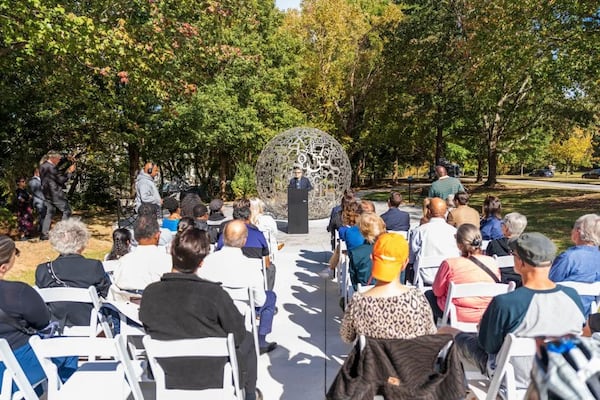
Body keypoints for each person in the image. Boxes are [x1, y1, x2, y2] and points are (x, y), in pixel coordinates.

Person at [442, 232, 585, 390]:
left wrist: (481, 326)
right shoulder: (572, 296)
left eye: (513, 254)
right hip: (559, 376)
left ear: (520, 263)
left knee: (447, 331)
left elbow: (488, 347)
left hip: (513, 378)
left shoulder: (506, 302)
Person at [139, 226, 260, 400]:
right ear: (202, 262)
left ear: (171, 253)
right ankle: (249, 396)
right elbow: (238, 334)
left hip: (167, 371)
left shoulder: (150, 293)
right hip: (212, 374)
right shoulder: (214, 294)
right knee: (247, 338)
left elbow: (148, 326)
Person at [0, 236, 77, 394]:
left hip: (10, 365)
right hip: (15, 364)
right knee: (66, 350)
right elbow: (43, 322)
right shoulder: (19, 292)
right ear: (3, 267)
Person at [198, 220, 278, 355]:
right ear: (244, 240)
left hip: (213, 307)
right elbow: (259, 301)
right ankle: (260, 341)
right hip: (241, 308)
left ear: (223, 236)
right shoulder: (251, 267)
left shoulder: (206, 262)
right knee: (270, 297)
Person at [340, 233, 436, 343]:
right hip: (409, 359)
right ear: (405, 263)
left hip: (374, 360)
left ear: (372, 259)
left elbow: (347, 337)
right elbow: (430, 335)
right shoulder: (418, 299)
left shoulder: (359, 302)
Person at [34, 219, 111, 328]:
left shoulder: (43, 270)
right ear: (82, 244)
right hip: (89, 324)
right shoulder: (93, 266)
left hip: (55, 326)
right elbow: (107, 294)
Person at [426, 224, 501, 323]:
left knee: (429, 295)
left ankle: (437, 332)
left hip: (457, 314)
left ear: (459, 244)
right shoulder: (493, 262)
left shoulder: (449, 264)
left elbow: (437, 291)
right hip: (487, 312)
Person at [549, 214, 600, 317]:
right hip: (587, 314)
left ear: (578, 231)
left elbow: (548, 284)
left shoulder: (568, 257)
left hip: (559, 312)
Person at [113, 214, 172, 293]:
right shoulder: (168, 261)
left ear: (135, 236)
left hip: (125, 304)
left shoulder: (122, 263)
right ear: (157, 235)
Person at [409, 197, 460, 284]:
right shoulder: (454, 232)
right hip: (448, 278)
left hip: (424, 278)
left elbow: (411, 258)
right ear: (445, 212)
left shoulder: (419, 231)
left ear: (428, 211)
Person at [39, 150, 76, 240]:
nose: (59, 160)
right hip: (55, 193)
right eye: (58, 159)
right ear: (53, 158)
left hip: (46, 193)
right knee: (67, 211)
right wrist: (69, 172)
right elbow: (61, 180)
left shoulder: (43, 166)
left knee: (50, 212)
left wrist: (67, 158)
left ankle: (44, 234)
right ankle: (62, 232)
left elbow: (59, 162)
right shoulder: (51, 168)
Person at [348, 212, 387, 290]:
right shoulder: (394, 250)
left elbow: (354, 283)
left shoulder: (356, 253)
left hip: (366, 295)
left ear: (362, 231)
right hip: (392, 295)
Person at [250, 197, 282, 262]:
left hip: (250, 250)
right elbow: (275, 233)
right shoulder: (268, 219)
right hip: (267, 249)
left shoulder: (245, 221)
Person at [28, 168, 46, 236]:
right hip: (39, 201)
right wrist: (44, 198)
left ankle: (40, 230)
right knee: (42, 216)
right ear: (36, 173)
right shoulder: (33, 181)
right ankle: (42, 233)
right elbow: (36, 192)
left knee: (42, 216)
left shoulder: (38, 180)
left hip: (42, 201)